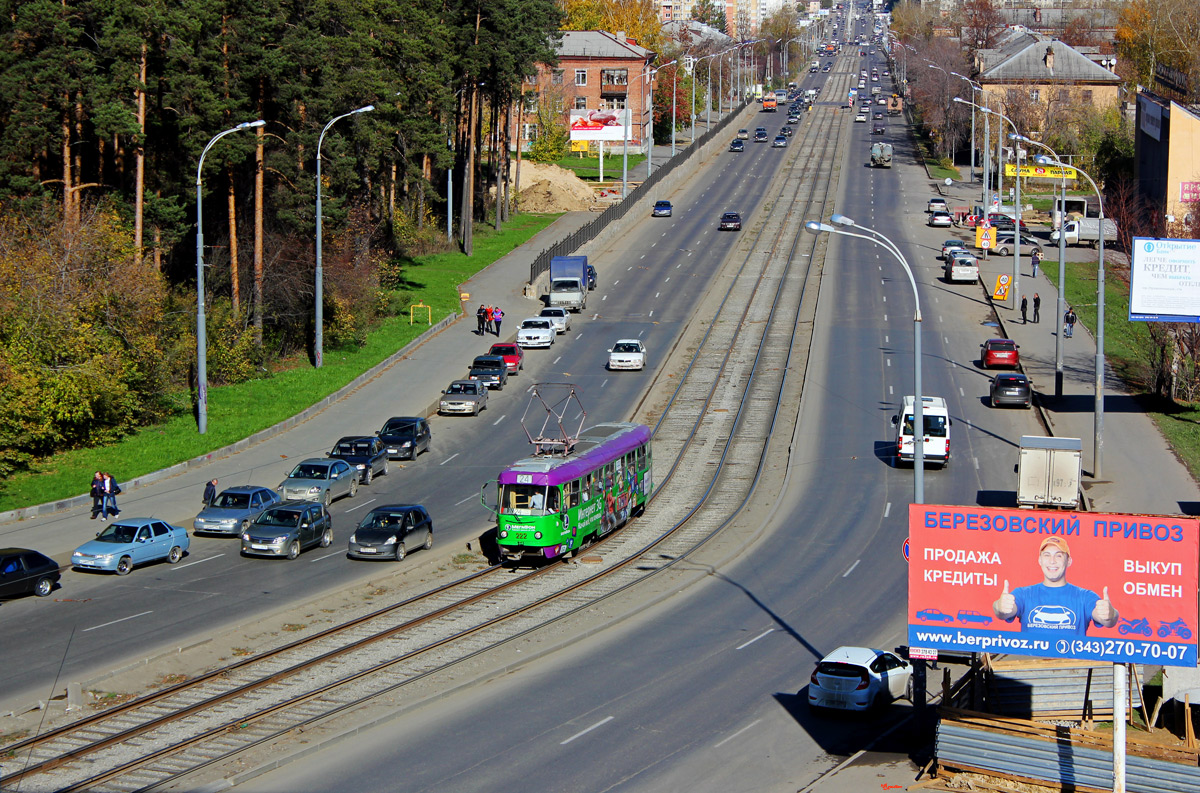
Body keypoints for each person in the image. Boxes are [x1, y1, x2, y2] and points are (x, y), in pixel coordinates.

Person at [992, 536, 1118, 638]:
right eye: (1047, 555)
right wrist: (999, 607)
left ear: (1068, 561)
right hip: (1031, 666)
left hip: (1071, 668)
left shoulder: (1084, 597)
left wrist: (1110, 614)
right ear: (1040, 560)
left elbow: (1107, 620)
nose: (1052, 561)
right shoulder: (1024, 594)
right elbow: (1004, 612)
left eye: (1058, 555)